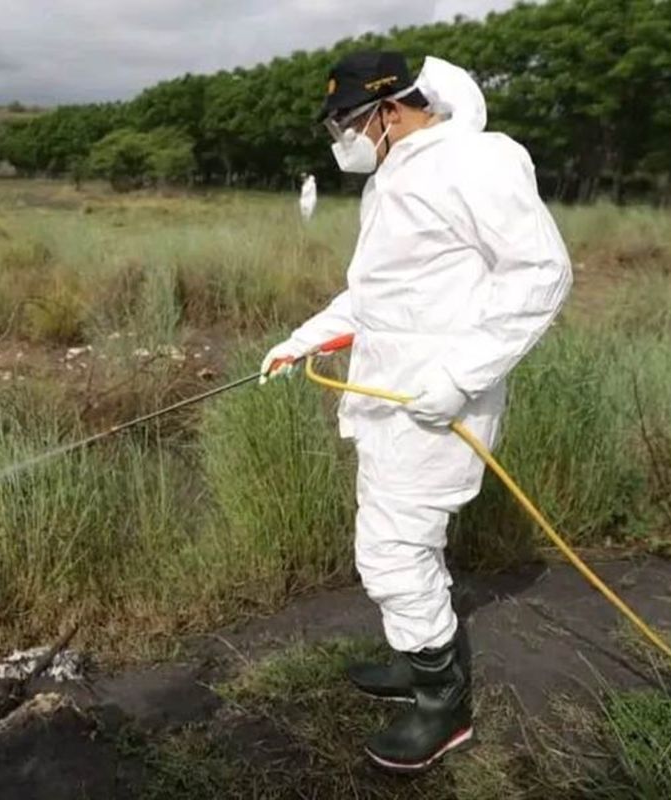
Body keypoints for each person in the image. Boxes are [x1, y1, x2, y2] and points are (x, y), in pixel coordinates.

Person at [260, 52, 572, 772]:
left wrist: (461, 377)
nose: (340, 137)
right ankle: (414, 660)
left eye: (344, 121)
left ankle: (443, 706)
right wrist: (300, 342)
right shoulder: (402, 174)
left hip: (434, 403)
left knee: (394, 551)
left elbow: (542, 273)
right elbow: (376, 298)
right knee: (390, 536)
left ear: (389, 110)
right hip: (388, 399)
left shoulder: (475, 162)